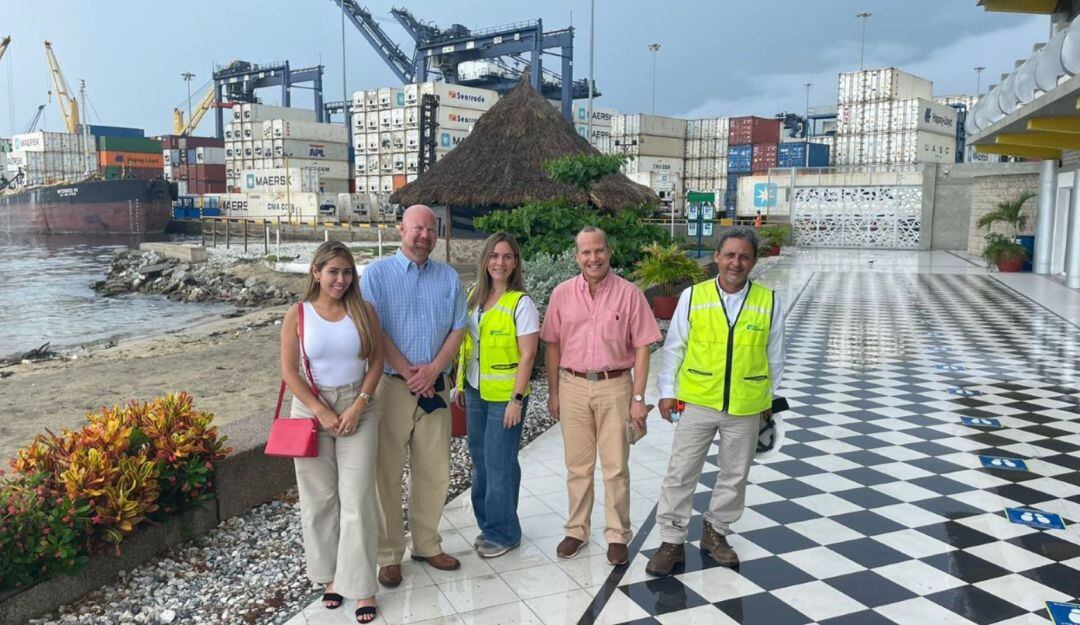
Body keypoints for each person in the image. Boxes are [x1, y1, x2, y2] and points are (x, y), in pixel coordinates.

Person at [645, 227, 786, 577]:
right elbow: (674, 347)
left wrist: (769, 398)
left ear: (753, 261)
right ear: (717, 258)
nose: (735, 262)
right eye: (729, 255)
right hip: (697, 401)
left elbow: (775, 356)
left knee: (735, 475)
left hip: (746, 404)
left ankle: (716, 533)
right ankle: (672, 541)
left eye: (743, 256)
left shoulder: (769, 301)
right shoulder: (694, 297)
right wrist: (666, 392)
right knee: (680, 473)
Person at [541, 226, 661, 566]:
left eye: (598, 251)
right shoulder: (562, 294)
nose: (593, 258)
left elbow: (642, 346)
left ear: (609, 252)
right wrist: (553, 392)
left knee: (615, 466)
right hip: (573, 385)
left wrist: (638, 397)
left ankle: (617, 534)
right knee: (577, 466)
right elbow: (553, 344)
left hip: (616, 386)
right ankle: (576, 530)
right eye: (585, 252)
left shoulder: (630, 294)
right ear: (576, 256)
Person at [360, 204, 466, 588]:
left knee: (434, 470)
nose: (424, 236)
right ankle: (389, 555)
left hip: (434, 387)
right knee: (385, 473)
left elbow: (458, 327)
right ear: (401, 230)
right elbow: (374, 329)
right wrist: (408, 372)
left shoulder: (449, 278)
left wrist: (435, 368)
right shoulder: (376, 275)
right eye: (417, 228)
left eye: (431, 230)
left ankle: (426, 543)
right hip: (391, 385)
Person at [279, 240, 385, 623]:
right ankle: (331, 579)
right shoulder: (298, 314)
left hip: (359, 407)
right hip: (310, 409)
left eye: (346, 272)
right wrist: (321, 410)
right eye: (332, 272)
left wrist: (359, 403)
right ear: (316, 273)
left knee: (357, 498)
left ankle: (362, 587)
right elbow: (290, 371)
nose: (340, 280)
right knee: (320, 500)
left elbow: (377, 360)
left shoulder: (363, 311)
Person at [454, 232, 540, 558]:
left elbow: (528, 355)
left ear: (515, 262)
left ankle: (504, 532)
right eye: (494, 256)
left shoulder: (521, 303)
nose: (499, 263)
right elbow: (468, 344)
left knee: (499, 462)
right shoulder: (476, 295)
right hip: (476, 390)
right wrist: (462, 384)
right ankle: (489, 523)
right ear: (485, 259)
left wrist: (516, 400)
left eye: (506, 256)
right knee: (481, 461)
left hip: (506, 397)